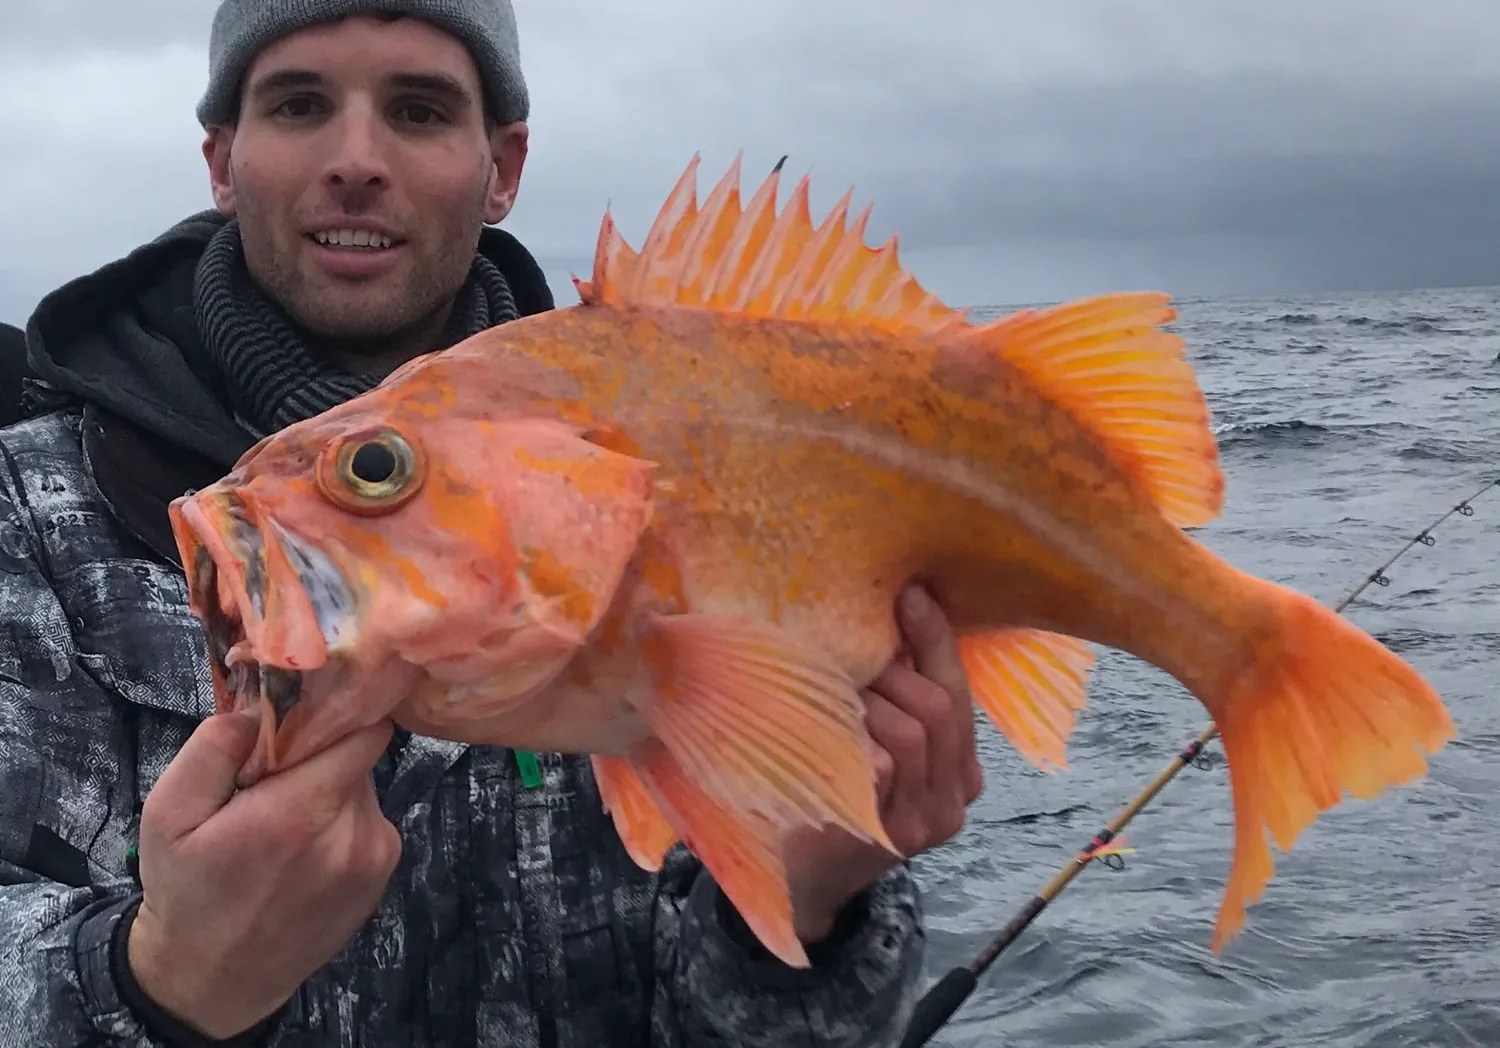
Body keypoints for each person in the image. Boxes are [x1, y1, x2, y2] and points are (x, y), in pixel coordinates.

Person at [0, 2, 985, 1045]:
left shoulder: (647, 480)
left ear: (503, 166)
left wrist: (813, 903)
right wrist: (155, 981)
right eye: (297, 104)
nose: (356, 160)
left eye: (420, 110)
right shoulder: (32, 512)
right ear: (223, 158)